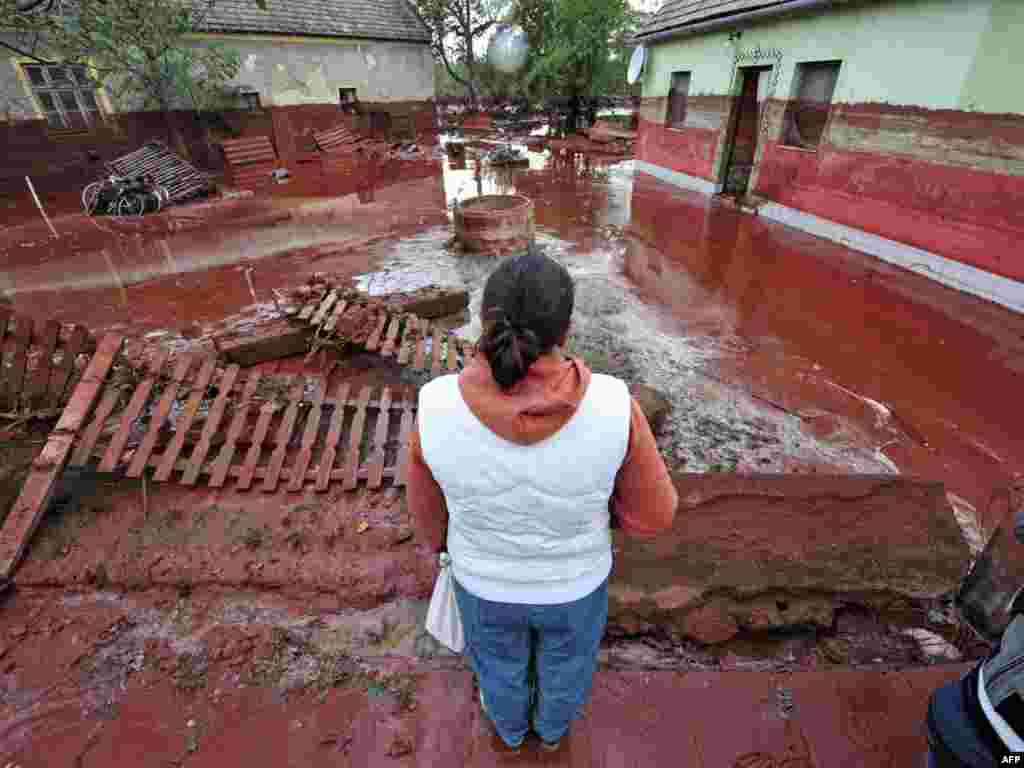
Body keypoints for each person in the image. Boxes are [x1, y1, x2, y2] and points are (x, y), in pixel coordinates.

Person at [407, 251, 678, 752]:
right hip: (577, 584)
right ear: (567, 329)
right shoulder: (616, 404)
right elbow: (655, 515)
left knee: (497, 665)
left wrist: (452, 546)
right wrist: (598, 512)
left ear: (484, 322)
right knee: (567, 667)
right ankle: (552, 733)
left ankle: (509, 733)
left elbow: (427, 519)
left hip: (481, 582)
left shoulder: (435, 403)